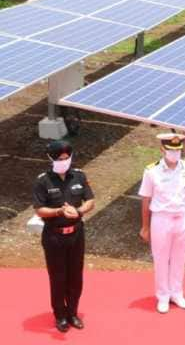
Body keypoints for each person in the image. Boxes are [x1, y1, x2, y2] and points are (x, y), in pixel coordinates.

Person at [33, 140, 95, 332]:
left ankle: (73, 313)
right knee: (58, 277)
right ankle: (60, 315)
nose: (64, 161)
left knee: (76, 276)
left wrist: (78, 211)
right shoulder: (43, 181)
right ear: (51, 159)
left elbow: (90, 200)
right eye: (60, 159)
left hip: (76, 234)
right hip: (54, 237)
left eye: (67, 158)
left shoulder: (79, 176)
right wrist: (59, 212)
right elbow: (39, 210)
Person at [138, 133, 185, 314]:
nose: (175, 153)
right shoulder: (152, 171)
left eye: (178, 150)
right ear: (162, 149)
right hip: (161, 218)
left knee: (180, 258)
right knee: (161, 259)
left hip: (182, 218)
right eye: (171, 150)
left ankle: (177, 293)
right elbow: (146, 200)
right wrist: (145, 226)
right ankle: (163, 296)